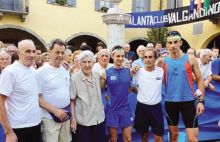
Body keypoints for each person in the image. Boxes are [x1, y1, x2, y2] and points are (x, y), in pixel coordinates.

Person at [157, 31, 205, 142]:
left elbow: (200, 80)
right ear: (167, 45)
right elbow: (148, 72)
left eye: (175, 42)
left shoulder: (191, 59)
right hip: (170, 102)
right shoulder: (162, 62)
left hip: (188, 102)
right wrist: (135, 71)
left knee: (193, 138)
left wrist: (201, 101)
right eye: (170, 43)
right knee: (174, 136)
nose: (173, 45)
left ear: (180, 43)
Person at [0, 39, 41, 142]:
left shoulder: (33, 71)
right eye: (27, 51)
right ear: (18, 53)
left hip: (35, 125)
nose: (31, 55)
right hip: (18, 128)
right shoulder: (10, 72)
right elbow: (1, 103)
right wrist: (9, 132)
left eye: (33, 51)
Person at [36, 39, 72, 142]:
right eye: (57, 52)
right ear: (49, 51)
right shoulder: (41, 72)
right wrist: (55, 111)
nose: (60, 55)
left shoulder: (65, 70)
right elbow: (37, 97)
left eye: (62, 52)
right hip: (49, 118)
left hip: (65, 116)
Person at [70, 50, 105, 142]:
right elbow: (72, 100)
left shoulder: (97, 75)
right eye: (84, 62)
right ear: (80, 63)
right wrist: (73, 120)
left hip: (99, 119)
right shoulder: (74, 78)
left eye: (89, 62)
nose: (87, 65)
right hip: (83, 122)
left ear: (93, 63)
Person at [101, 45, 134, 142]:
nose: (120, 58)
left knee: (128, 139)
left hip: (125, 109)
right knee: (113, 139)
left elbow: (133, 86)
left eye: (122, 56)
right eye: (118, 56)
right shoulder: (106, 73)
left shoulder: (129, 71)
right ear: (112, 56)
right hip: (112, 110)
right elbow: (100, 90)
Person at [133, 48, 164, 142]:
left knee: (158, 137)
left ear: (155, 59)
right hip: (142, 108)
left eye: (150, 57)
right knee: (144, 136)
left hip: (156, 108)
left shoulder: (161, 71)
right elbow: (133, 87)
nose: (147, 59)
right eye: (145, 57)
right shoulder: (137, 72)